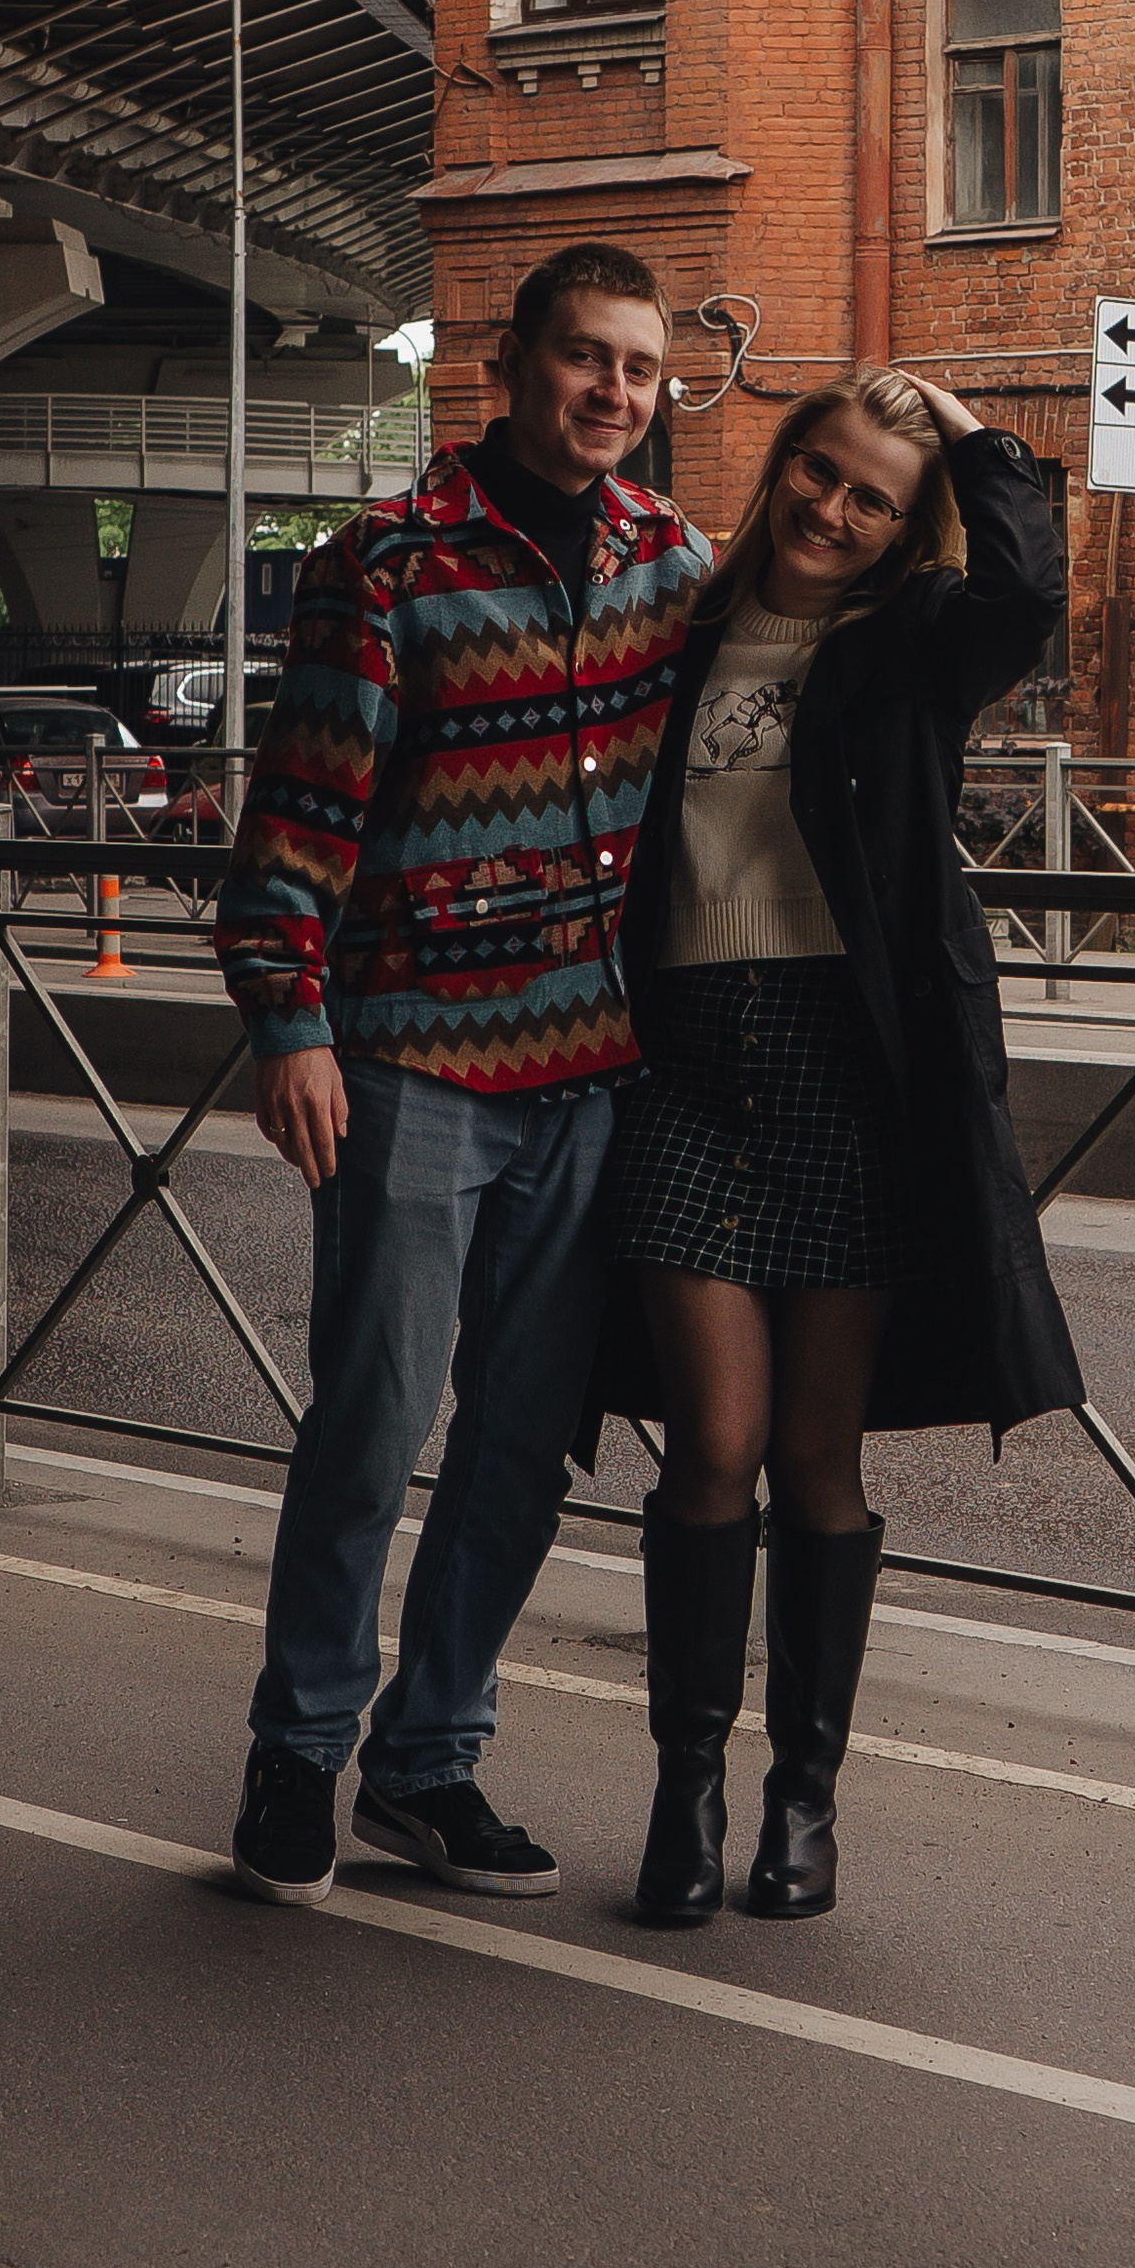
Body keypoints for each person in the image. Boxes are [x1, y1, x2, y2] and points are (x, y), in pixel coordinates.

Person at [214, 241, 710, 1910]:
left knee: (517, 1447)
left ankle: (428, 1769)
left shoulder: (671, 562)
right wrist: (288, 1023)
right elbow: (299, 815)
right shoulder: (391, 563)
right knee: (368, 1420)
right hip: (414, 1058)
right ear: (510, 363)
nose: (613, 395)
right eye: (586, 359)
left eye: (639, 371)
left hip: (593, 1072)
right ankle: (298, 1754)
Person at [603, 372, 1085, 1925]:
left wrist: (970, 440)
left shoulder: (915, 646)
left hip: (850, 1080)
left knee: (816, 1458)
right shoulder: (680, 628)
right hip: (685, 1070)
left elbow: (1029, 590)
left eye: (869, 497)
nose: (832, 508)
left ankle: (802, 1802)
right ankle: (684, 1791)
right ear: (784, 470)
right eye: (818, 474)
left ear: (898, 526)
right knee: (713, 1450)